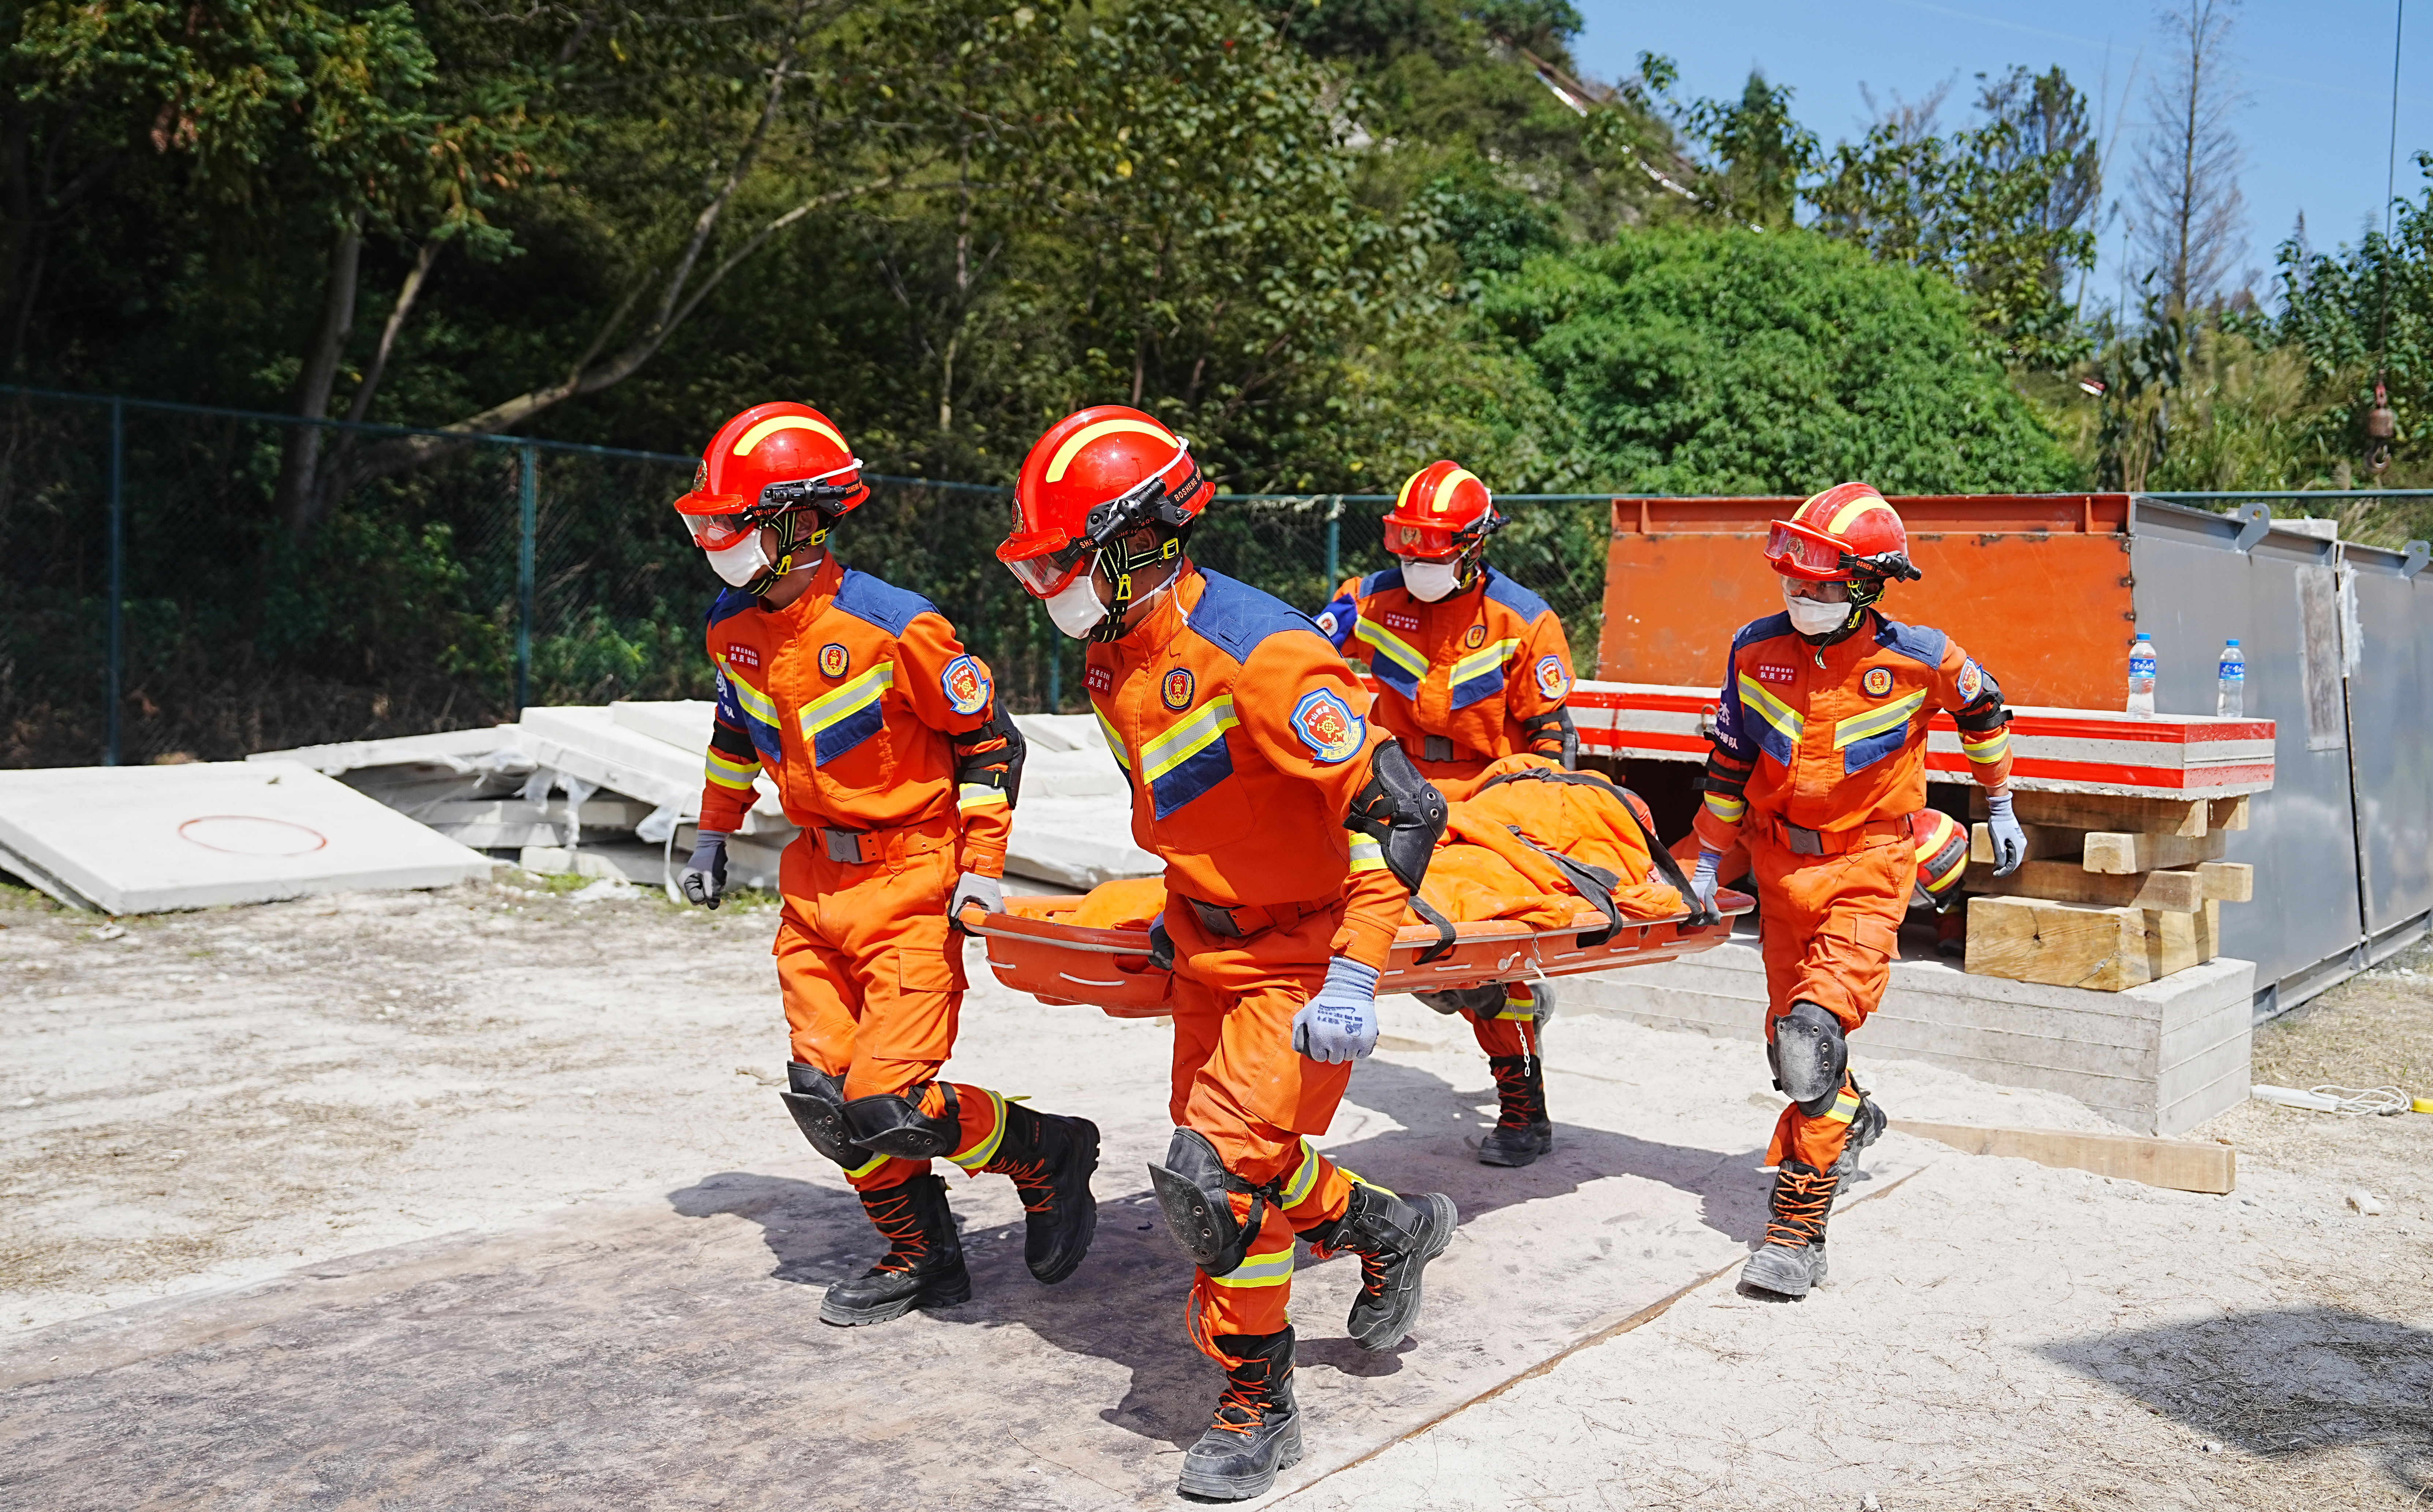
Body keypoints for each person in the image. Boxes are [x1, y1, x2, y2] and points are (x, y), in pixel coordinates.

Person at [995, 405, 1458, 1501]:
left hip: (1301, 956)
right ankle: (1390, 1225)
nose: (1050, 583)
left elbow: (1403, 805)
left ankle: (1259, 1400)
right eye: (1039, 562)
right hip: (1207, 944)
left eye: (1066, 558)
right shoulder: (1115, 654)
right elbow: (1192, 800)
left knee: (1212, 1179)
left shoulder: (1265, 654)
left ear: (1143, 537)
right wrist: (1180, 900)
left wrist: (1354, 971)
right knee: (1239, 1160)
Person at [670, 400, 1099, 1326]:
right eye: (705, 523)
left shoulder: (897, 628)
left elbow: (992, 745)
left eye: (730, 522)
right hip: (813, 883)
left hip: (912, 880)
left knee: (889, 1099)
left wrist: (982, 867)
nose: (715, 540)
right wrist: (713, 829)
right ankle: (923, 1257)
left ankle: (1046, 1150)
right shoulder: (728, 623)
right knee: (824, 1094)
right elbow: (734, 732)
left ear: (800, 522)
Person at [1684, 482, 2026, 1299]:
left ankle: (1798, 1234)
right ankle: (1854, 1114)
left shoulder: (1921, 654)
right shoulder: (1752, 649)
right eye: (1793, 582)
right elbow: (1731, 765)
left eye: (1822, 583)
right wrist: (1706, 862)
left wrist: (2001, 802)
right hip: (1778, 871)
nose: (1801, 597)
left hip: (1872, 869)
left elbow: (1984, 709)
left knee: (1809, 1041)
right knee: (1790, 1052)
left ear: (1867, 584)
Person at [1312, 461, 1576, 1167]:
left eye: (1434, 549)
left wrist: (1540, 822)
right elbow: (1301, 658)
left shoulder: (1522, 621)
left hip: (1487, 799)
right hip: (1394, 791)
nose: (1417, 563)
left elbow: (1551, 738)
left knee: (1491, 963)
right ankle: (1455, 985)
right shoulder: (1366, 601)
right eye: (1408, 548)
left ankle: (1524, 1109)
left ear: (1475, 545)